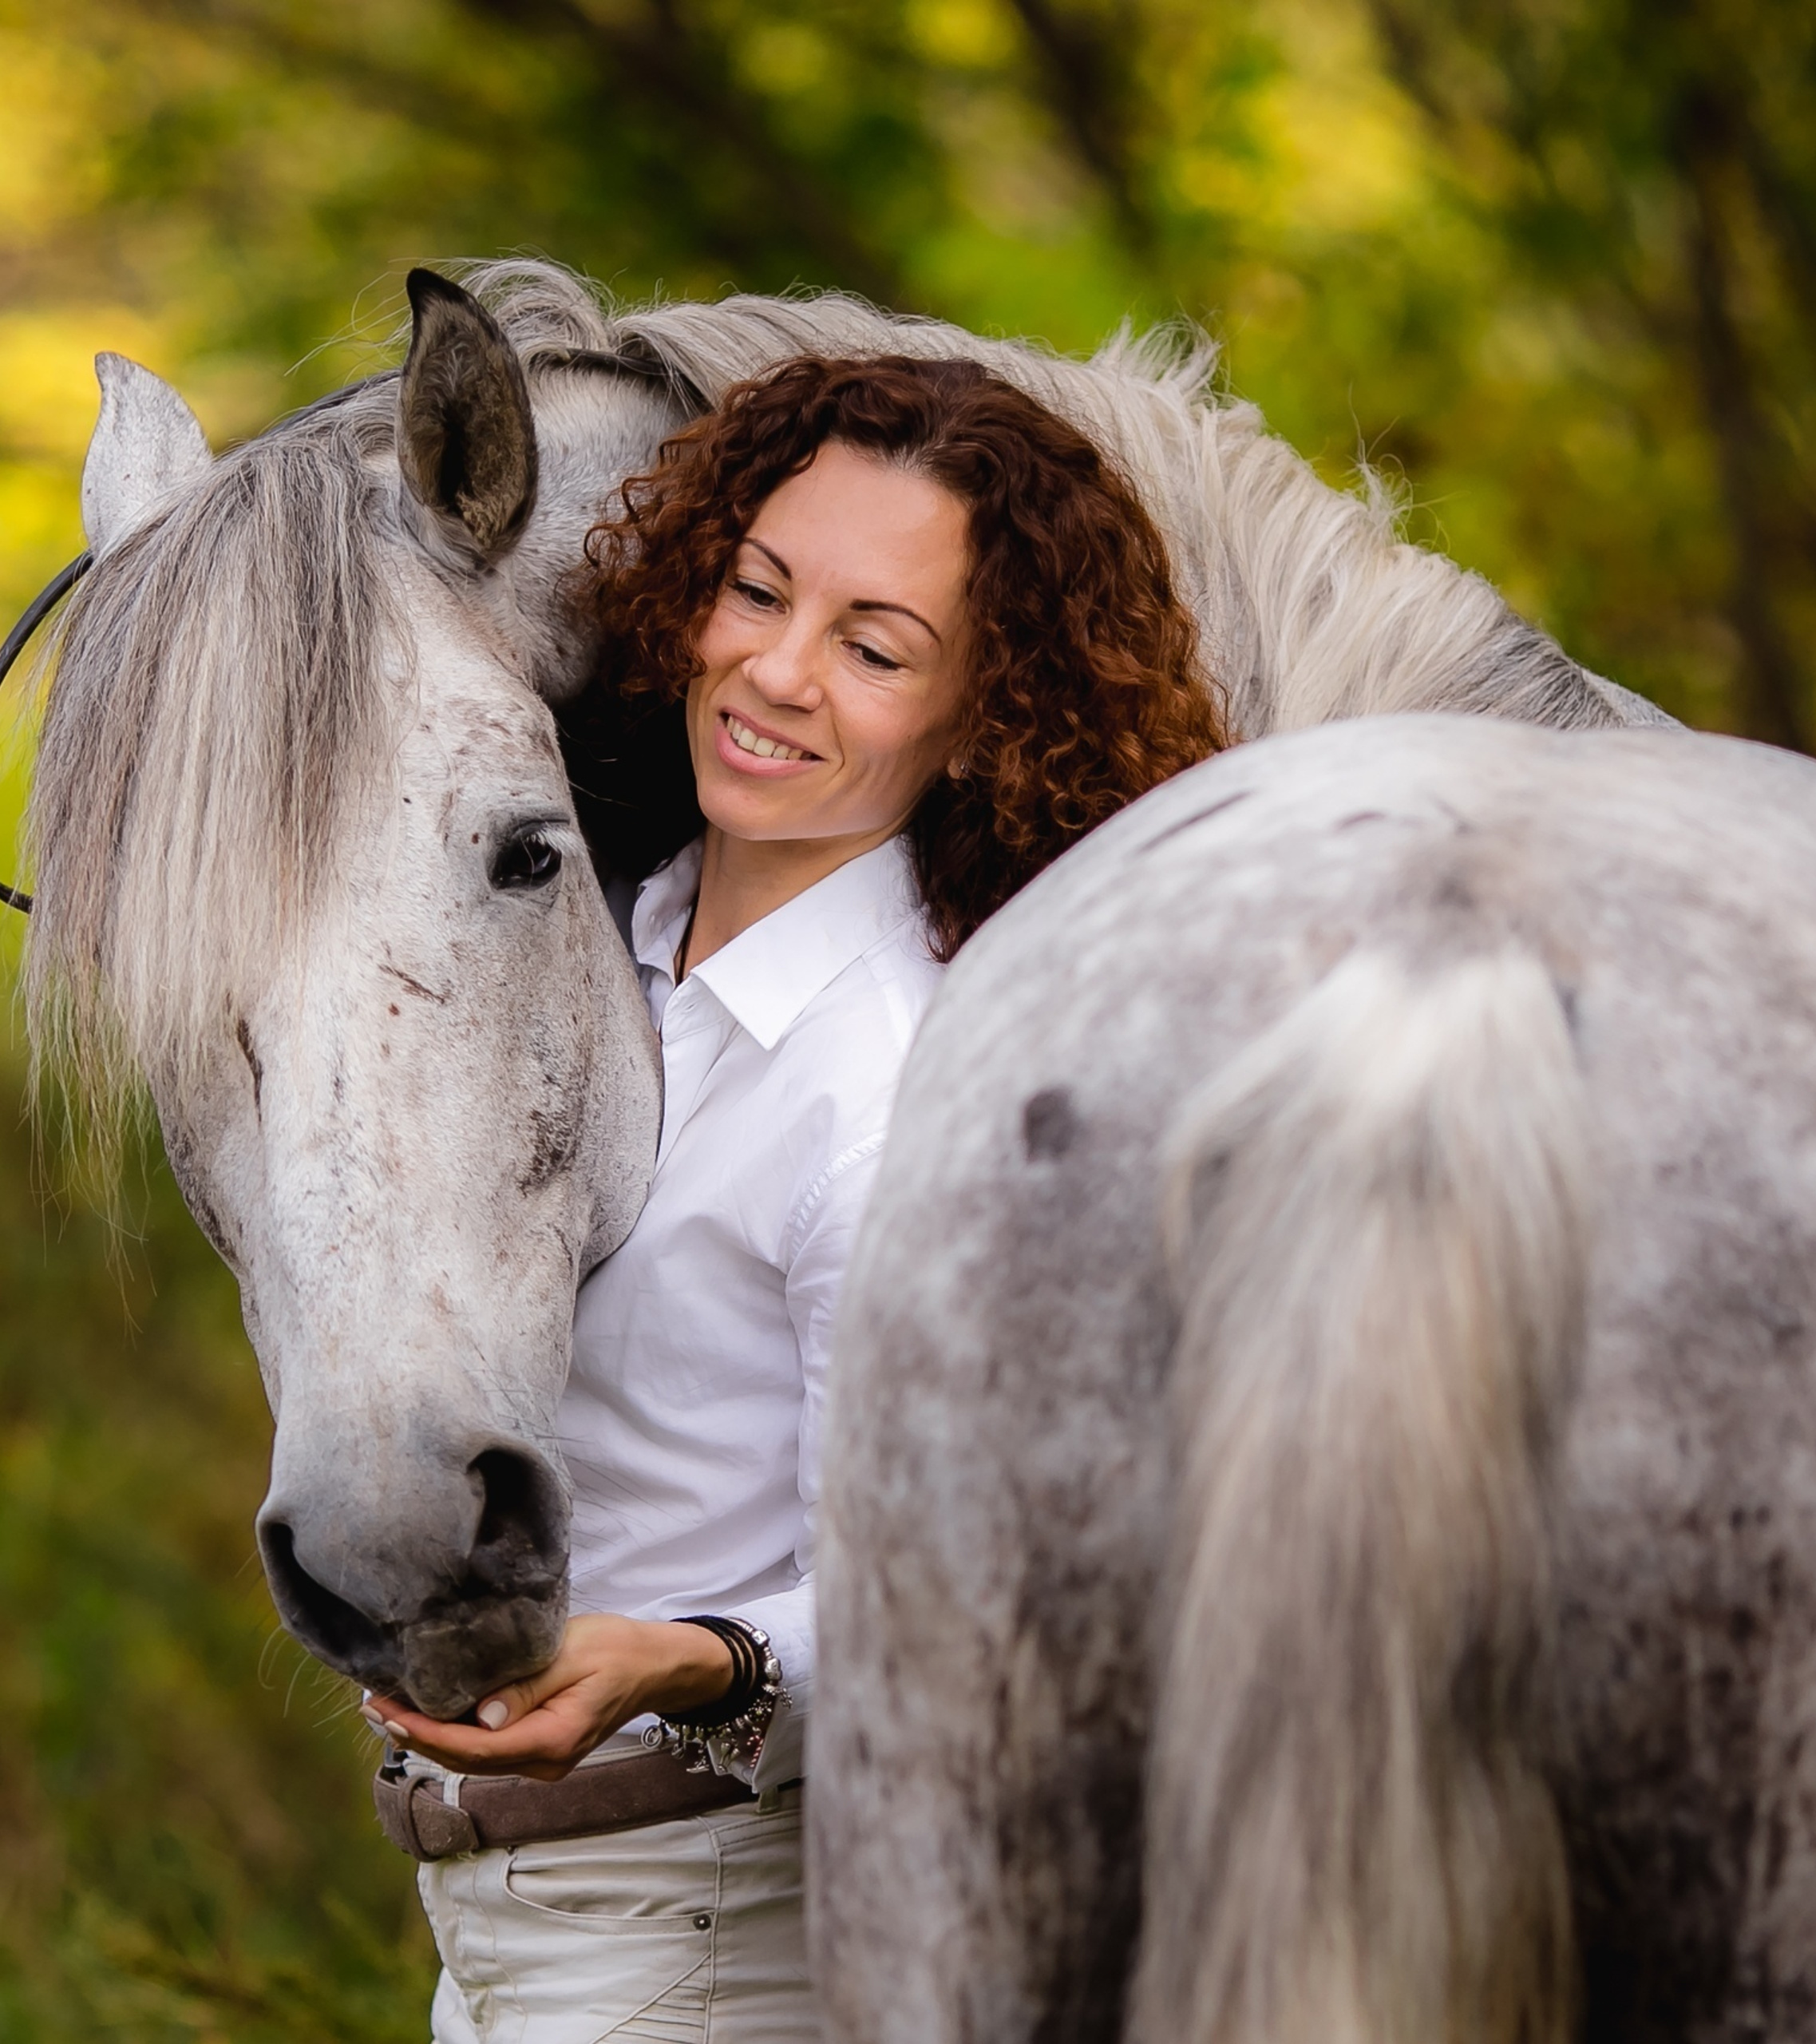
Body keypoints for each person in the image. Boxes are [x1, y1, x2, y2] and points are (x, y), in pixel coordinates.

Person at [363, 354, 1225, 2042]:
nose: (773, 669)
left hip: (702, 1927)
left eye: (873, 648)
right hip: (511, 1924)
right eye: (758, 591)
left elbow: (954, 1596)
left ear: (988, 714)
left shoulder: (891, 1085)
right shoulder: (606, 940)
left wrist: (691, 1657)